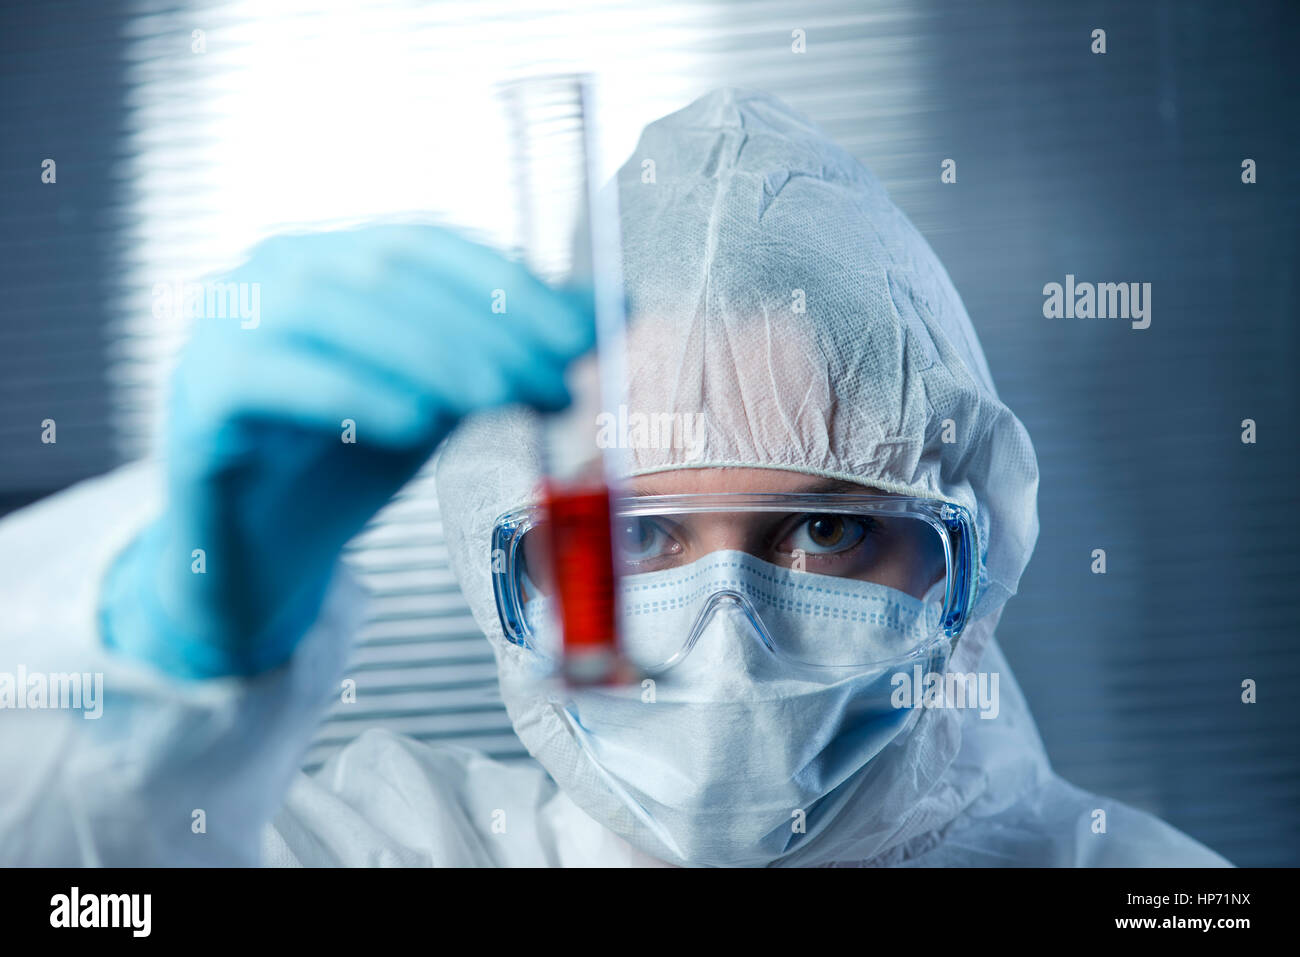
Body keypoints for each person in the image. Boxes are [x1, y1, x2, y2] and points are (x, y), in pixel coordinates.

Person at [0, 89, 1227, 867]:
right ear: (508, 571)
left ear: (974, 561)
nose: (729, 644)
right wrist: (157, 677)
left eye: (826, 534)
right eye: (645, 538)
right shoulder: (383, 850)